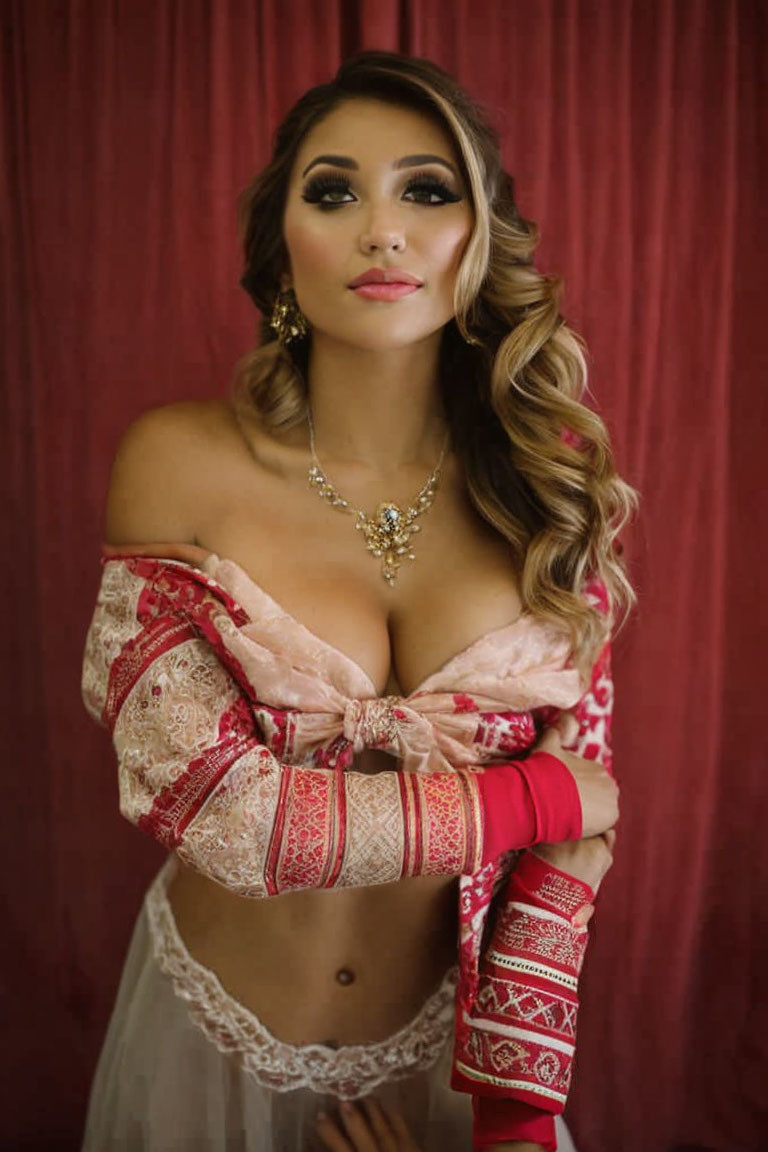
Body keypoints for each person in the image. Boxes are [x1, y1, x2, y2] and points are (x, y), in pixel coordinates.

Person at [80, 50, 637, 1152]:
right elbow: (222, 816)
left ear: (479, 238)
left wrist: (516, 1124)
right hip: (206, 1050)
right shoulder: (180, 463)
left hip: (454, 1062)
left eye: (426, 191)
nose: (383, 229)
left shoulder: (548, 486)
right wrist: (536, 797)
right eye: (334, 191)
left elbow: (570, 859)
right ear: (283, 246)